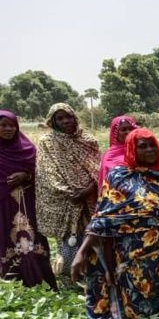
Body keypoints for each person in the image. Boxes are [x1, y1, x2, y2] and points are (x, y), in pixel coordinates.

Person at [71, 129, 159, 319]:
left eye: (152, 144)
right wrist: (83, 251)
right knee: (137, 296)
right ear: (131, 149)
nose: (149, 149)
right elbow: (104, 217)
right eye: (142, 146)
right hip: (133, 254)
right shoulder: (118, 178)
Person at [35, 103, 100, 281]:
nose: (65, 121)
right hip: (66, 200)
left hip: (89, 197)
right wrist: (70, 192)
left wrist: (86, 190)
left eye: (68, 116)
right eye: (60, 118)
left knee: (93, 233)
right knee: (69, 238)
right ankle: (71, 275)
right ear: (53, 121)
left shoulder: (88, 140)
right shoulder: (47, 143)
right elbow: (47, 172)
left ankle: (94, 274)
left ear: (75, 117)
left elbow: (98, 170)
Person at [0, 110, 57, 289]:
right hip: (3, 205)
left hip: (26, 203)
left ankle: (37, 278)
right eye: (3, 125)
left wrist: (25, 175)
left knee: (29, 237)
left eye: (12, 125)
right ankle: (9, 281)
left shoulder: (27, 149)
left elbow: (41, 174)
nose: (8, 129)